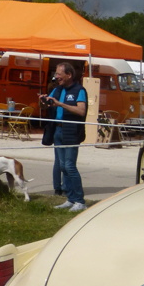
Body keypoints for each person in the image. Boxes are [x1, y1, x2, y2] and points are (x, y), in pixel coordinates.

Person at [42, 62, 88, 212]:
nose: (57, 77)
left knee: (69, 166)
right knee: (62, 166)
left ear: (69, 75)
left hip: (71, 132)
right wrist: (43, 101)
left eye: (59, 74)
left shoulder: (79, 90)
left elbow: (81, 111)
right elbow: (48, 106)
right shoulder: (56, 89)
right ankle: (70, 198)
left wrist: (61, 104)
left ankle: (80, 201)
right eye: (56, 74)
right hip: (58, 131)